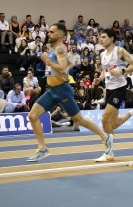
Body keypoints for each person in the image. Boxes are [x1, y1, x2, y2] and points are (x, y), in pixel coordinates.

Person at [25, 23, 111, 162]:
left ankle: (105, 137)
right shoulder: (54, 49)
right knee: (32, 116)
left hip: (62, 91)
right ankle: (42, 149)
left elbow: (62, 68)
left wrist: (47, 61)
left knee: (79, 120)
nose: (48, 34)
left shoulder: (60, 49)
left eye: (52, 32)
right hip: (52, 91)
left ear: (59, 35)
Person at [93, 29, 133, 162]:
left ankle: (109, 152)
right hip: (109, 89)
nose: (101, 39)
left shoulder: (120, 51)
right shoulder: (102, 55)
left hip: (120, 88)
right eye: (100, 37)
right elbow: (104, 71)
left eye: (104, 37)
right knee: (114, 123)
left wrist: (123, 70)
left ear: (112, 38)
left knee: (105, 119)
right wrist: (99, 79)